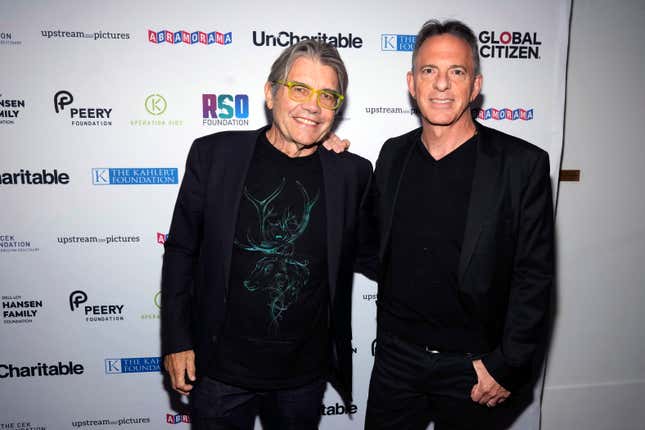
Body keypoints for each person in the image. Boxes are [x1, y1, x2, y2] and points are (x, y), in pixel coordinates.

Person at [161, 39, 372, 430]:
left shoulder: (352, 174)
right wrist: (176, 339)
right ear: (270, 93)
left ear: (337, 108)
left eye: (327, 95)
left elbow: (377, 253)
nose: (313, 105)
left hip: (302, 377)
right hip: (219, 371)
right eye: (300, 89)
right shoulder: (215, 156)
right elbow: (180, 251)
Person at [363, 19, 554, 429]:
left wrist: (507, 365)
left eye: (457, 72)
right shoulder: (392, 155)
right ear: (412, 83)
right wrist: (326, 160)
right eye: (430, 71)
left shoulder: (521, 165)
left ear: (475, 85)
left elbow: (534, 277)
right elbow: (369, 242)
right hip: (396, 361)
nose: (442, 85)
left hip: (474, 369)